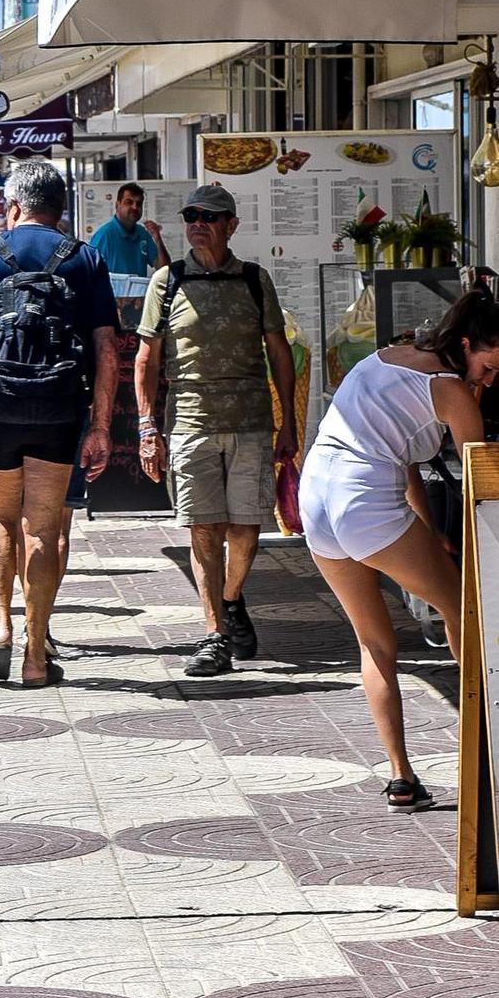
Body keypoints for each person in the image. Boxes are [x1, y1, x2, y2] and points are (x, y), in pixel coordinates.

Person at [299, 289, 499, 809]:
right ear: (464, 344)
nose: (491, 377)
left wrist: (429, 529)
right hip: (365, 499)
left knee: (372, 642)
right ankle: (488, 741)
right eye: (489, 364)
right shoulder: (452, 388)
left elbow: (402, 452)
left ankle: (402, 778)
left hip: (316, 495)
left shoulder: (386, 355)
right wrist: (471, 397)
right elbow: (480, 475)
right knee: (465, 609)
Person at [0, 160, 118, 687]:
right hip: (60, 407)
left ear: (14, 205)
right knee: (42, 526)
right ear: (60, 208)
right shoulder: (83, 257)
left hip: (1, 407)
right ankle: (36, 653)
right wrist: (101, 426)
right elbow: (108, 347)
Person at [135, 184, 296, 678]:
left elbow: (279, 353)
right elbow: (147, 358)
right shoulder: (167, 280)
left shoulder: (254, 279)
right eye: (191, 215)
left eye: (210, 216)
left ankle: (229, 600)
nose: (198, 223)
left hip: (249, 422)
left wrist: (288, 420)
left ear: (231, 225)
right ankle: (215, 635)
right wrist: (146, 425)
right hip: (189, 422)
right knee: (203, 526)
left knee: (248, 526)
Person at [89, 183, 168, 280]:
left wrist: (157, 238)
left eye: (139, 204)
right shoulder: (104, 235)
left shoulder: (143, 233)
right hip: (112, 295)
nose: (135, 207)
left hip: (138, 295)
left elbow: (164, 270)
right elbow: (89, 274)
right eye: (129, 202)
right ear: (117, 205)